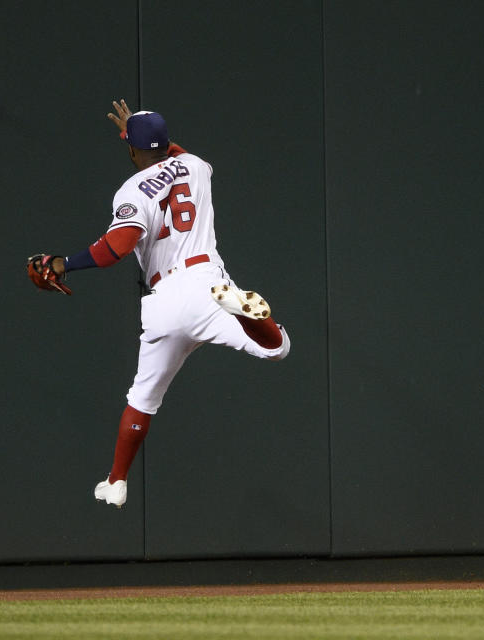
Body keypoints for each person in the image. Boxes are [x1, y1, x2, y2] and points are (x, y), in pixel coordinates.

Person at [32, 99, 290, 508]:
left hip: (166, 300)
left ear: (132, 151)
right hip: (210, 288)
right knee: (276, 348)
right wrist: (141, 136)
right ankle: (245, 308)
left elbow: (116, 247)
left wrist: (63, 264)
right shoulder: (198, 165)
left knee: (142, 399)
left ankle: (116, 481)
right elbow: (172, 153)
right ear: (167, 143)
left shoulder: (132, 189)